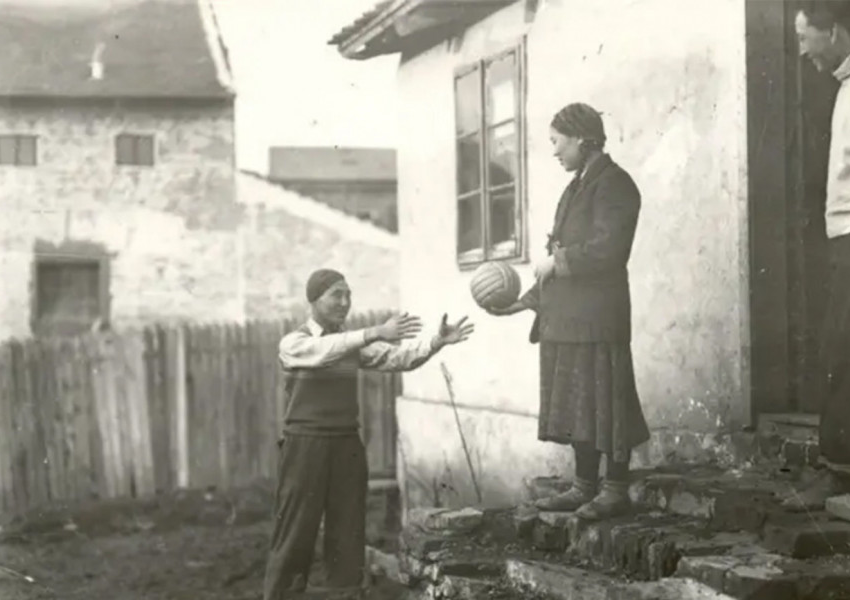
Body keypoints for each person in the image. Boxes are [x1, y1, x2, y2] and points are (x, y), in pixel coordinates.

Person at [263, 269, 474, 599]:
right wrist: (376, 331)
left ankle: (345, 595)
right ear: (314, 299)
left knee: (347, 530)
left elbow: (397, 357)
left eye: (348, 295)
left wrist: (436, 342)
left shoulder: (350, 344)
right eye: (336, 294)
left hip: (346, 443)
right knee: (295, 528)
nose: (345, 302)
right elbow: (325, 350)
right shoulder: (295, 342)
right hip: (305, 445)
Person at [488, 102, 650, 519]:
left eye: (558, 143)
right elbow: (556, 261)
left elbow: (609, 249)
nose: (555, 152)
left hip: (598, 317)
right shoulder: (575, 187)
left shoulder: (615, 184)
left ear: (581, 138)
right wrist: (520, 303)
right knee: (582, 405)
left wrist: (557, 263)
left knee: (606, 402)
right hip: (568, 319)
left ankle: (614, 488)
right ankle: (584, 486)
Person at [783, 0, 850, 510]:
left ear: (835, 31)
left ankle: (847, 471)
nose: (801, 50)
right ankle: (849, 465)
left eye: (805, 37)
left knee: (849, 356)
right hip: (849, 240)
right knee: (844, 352)